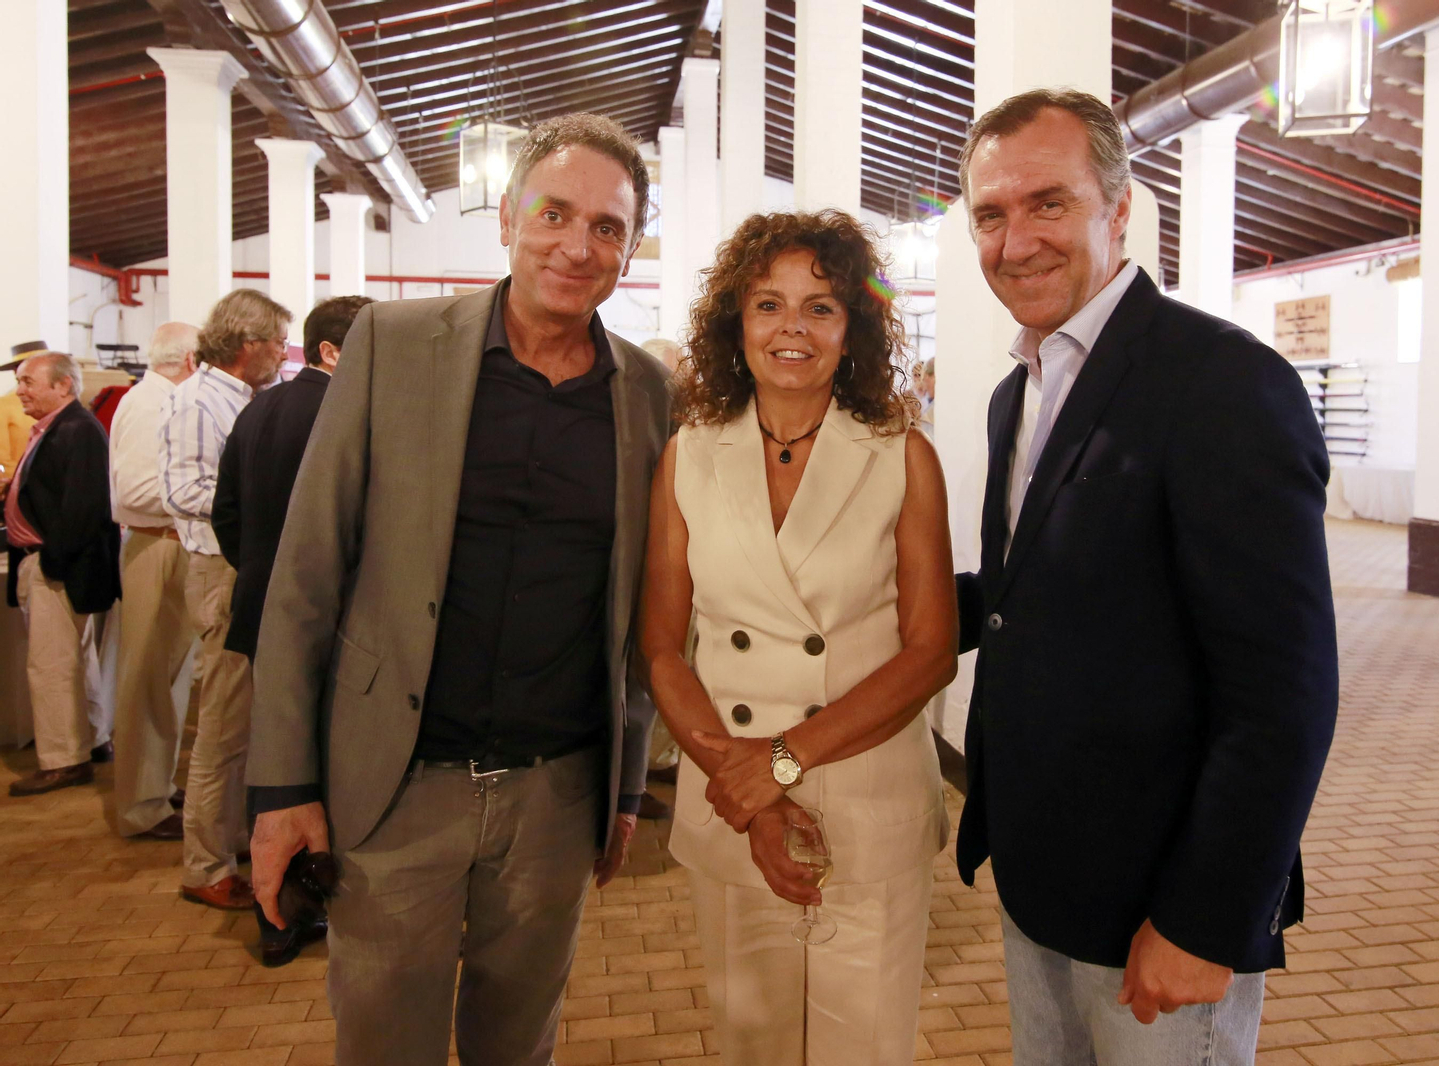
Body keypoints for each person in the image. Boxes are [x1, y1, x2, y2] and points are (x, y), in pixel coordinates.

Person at [245, 112, 672, 1066]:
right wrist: (282, 787)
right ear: (510, 216)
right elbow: (306, 576)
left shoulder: (647, 395)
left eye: (607, 228)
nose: (577, 244)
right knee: (384, 1043)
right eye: (555, 213)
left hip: (556, 798)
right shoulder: (394, 346)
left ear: (631, 250)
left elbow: (641, 613)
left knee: (518, 1045)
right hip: (394, 789)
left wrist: (627, 781)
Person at [952, 88, 1339, 1066]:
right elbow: (1026, 596)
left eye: (1047, 203)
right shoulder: (1019, 391)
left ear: (1119, 210)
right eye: (989, 215)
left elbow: (1282, 690)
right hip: (1043, 877)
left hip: (1159, 904)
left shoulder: (1221, 382)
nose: (1015, 240)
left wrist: (1206, 918)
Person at [639, 210, 957, 1066]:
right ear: (733, 323)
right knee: (755, 1044)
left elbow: (930, 650)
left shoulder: (901, 455)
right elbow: (663, 645)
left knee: (865, 1047)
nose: (792, 329)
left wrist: (776, 764)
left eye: (820, 307)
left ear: (852, 329)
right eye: (768, 304)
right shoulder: (690, 455)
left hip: (866, 796)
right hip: (733, 802)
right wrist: (744, 790)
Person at [161, 289, 291, 910]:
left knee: (244, 720)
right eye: (276, 343)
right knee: (221, 725)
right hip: (219, 567)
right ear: (247, 345)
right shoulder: (198, 401)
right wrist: (255, 498)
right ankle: (205, 865)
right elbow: (184, 488)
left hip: (244, 560)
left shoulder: (247, 399)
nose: (281, 353)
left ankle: (232, 840)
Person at [214, 295, 373, 661]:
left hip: (260, 599)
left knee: (270, 714)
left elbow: (225, 512)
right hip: (324, 609)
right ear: (331, 353)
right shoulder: (345, 413)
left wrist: (259, 568)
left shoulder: (260, 404)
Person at [3, 352, 121, 796]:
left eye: (29, 381)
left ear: (63, 387)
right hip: (53, 564)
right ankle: (91, 741)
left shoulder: (76, 430)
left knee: (50, 667)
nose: (20, 390)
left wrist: (53, 559)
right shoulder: (60, 427)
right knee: (76, 660)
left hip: (60, 568)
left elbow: (85, 508)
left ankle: (62, 761)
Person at [109, 322, 200, 839]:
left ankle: (157, 787)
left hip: (170, 543)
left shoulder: (156, 398)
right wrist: (207, 495)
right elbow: (139, 490)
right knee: (147, 680)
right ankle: (142, 805)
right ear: (189, 360)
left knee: (166, 679)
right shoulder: (151, 404)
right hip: (158, 545)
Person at [0, 341, 46, 477]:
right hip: (21, 488)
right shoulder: (5, 405)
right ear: (17, 371)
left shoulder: (61, 405)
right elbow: (2, 461)